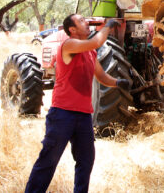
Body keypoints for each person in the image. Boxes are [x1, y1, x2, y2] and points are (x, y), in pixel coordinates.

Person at [25, 14, 130, 193]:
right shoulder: (69, 45)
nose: (86, 22)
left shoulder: (90, 53)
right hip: (62, 114)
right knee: (49, 159)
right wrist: (108, 26)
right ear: (72, 30)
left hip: (83, 116)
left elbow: (102, 76)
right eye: (81, 21)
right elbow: (97, 41)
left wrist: (118, 82)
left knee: (86, 160)